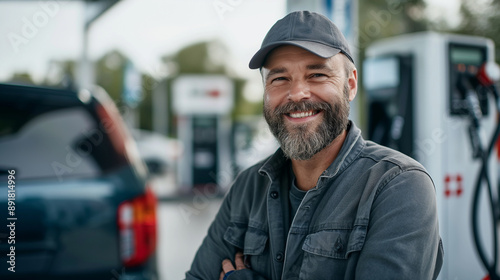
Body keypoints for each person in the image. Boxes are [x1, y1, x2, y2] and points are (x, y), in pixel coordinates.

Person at [186, 11, 443, 280]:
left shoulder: (398, 186)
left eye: (317, 74)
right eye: (279, 79)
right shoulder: (247, 187)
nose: (297, 94)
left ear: (351, 84)